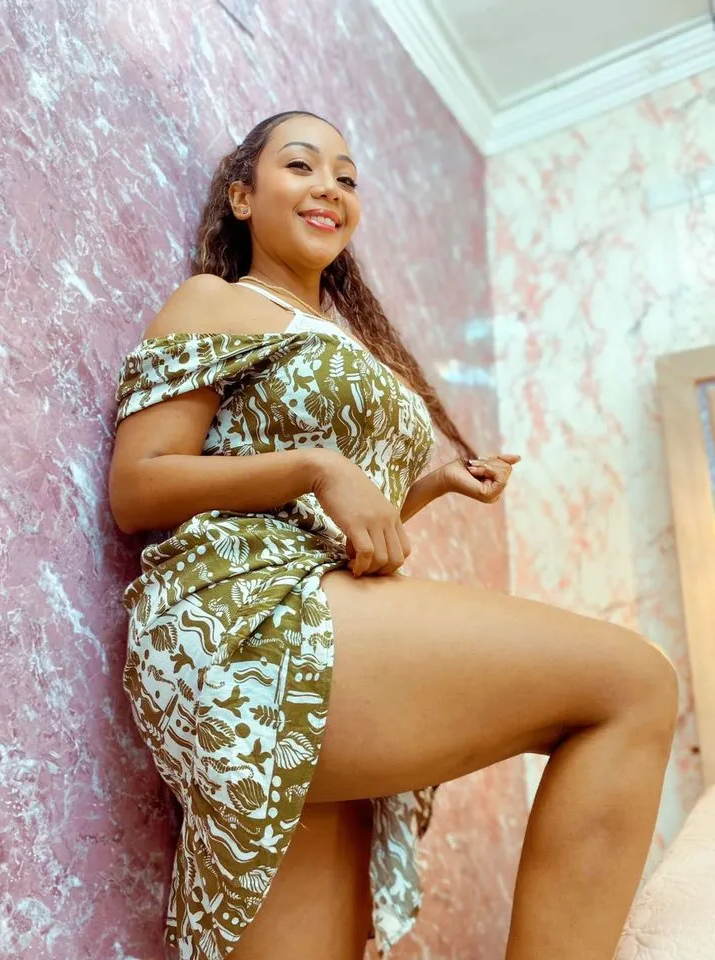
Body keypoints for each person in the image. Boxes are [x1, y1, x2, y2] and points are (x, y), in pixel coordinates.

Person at [108, 110, 678, 960]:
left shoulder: (337, 339)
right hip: (242, 618)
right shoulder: (216, 300)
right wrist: (316, 468)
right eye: (301, 166)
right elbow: (138, 485)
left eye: (346, 177)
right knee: (631, 684)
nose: (329, 187)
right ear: (241, 197)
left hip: (312, 603)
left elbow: (334, 525)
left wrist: (427, 486)